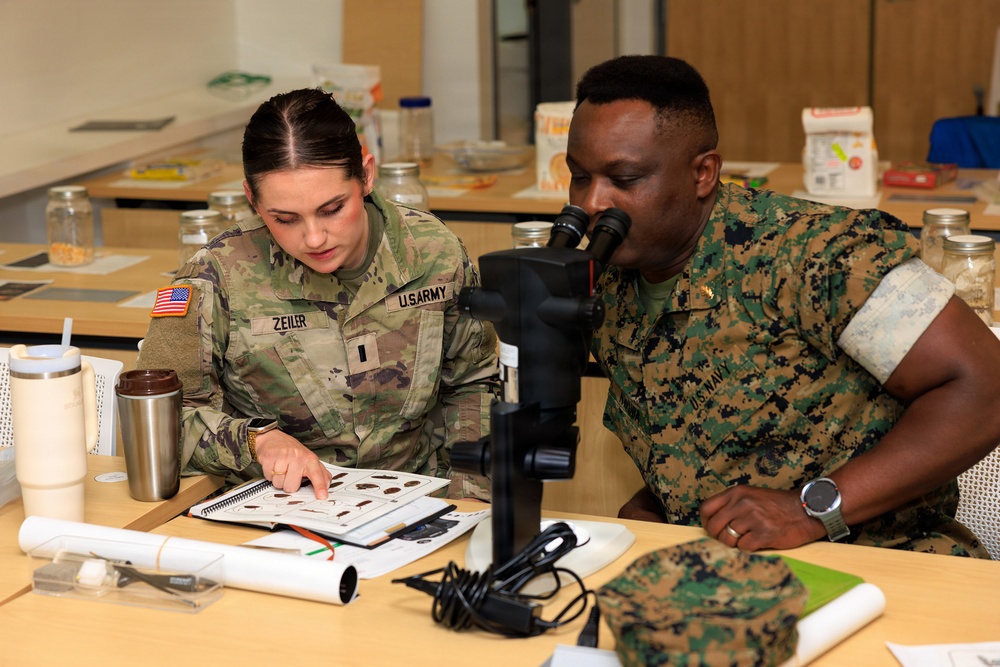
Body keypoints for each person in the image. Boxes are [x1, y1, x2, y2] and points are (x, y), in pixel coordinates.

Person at [567, 55, 1000, 556]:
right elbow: (714, 438)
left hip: (889, 557)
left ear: (703, 172)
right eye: (580, 176)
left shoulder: (819, 255)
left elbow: (985, 387)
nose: (593, 201)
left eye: (624, 178)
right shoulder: (612, 282)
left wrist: (808, 509)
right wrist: (659, 504)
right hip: (726, 573)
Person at [136, 88, 499, 500]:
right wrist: (256, 442)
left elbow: (474, 385)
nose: (313, 237)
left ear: (366, 175)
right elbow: (158, 419)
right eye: (285, 218)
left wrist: (469, 501)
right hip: (281, 512)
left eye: (332, 209)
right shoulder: (214, 276)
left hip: (415, 504)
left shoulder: (434, 253)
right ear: (252, 199)